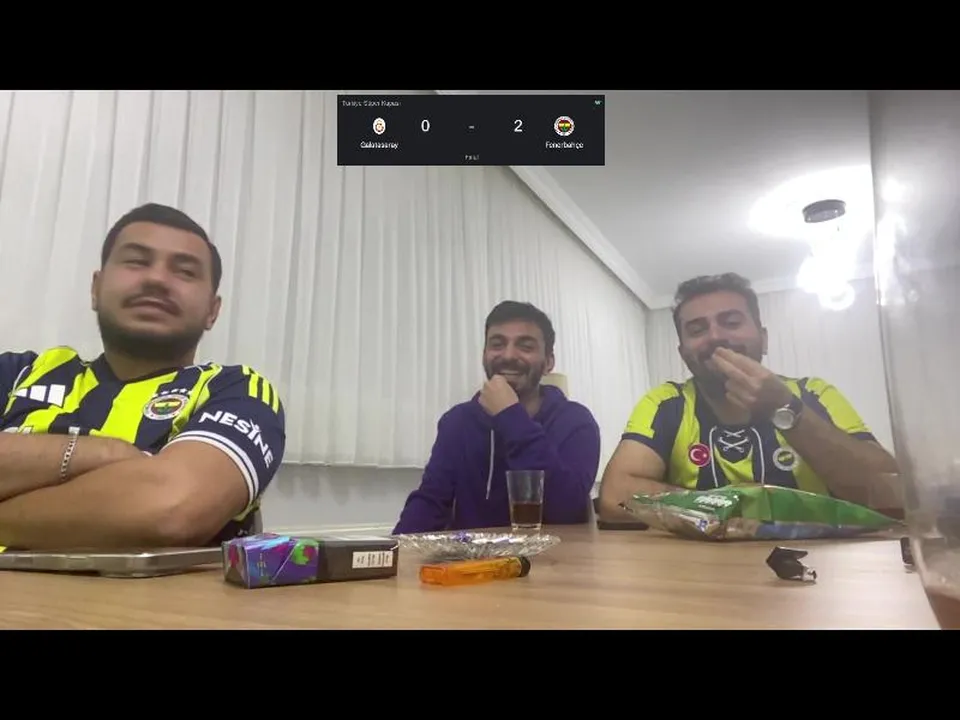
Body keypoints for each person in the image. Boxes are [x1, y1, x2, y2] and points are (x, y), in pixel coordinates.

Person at [0, 203, 286, 550]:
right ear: (96, 288)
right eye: (136, 261)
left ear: (212, 311)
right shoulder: (17, 374)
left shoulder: (239, 392)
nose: (156, 279)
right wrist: (105, 454)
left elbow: (171, 507)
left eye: (185, 271)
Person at [598, 272, 900, 520]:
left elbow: (892, 493)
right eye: (697, 329)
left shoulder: (814, 393)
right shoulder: (666, 403)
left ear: (763, 339)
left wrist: (785, 409)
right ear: (683, 352)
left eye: (731, 322)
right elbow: (614, 497)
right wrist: (736, 505)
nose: (715, 336)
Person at [393, 301, 601, 534]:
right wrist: (393, 550)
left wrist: (510, 417)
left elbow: (567, 509)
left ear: (548, 363)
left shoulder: (576, 421)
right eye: (497, 344)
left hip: (556, 555)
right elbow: (430, 503)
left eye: (525, 346)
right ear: (484, 355)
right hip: (471, 556)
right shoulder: (457, 421)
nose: (508, 355)